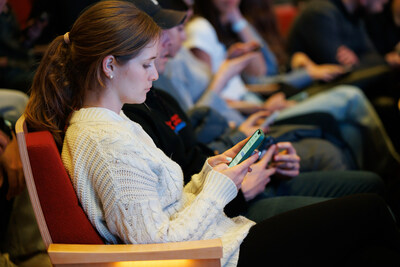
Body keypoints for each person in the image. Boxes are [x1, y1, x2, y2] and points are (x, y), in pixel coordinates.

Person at [23, 1, 400, 266]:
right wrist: (222, 186)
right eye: (147, 64)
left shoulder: (114, 122)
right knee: (369, 212)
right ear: (109, 65)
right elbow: (155, 245)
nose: (155, 74)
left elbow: (164, 210)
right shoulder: (104, 140)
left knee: (369, 239)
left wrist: (208, 175)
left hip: (219, 239)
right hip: (216, 256)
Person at [287, 0, 387, 68]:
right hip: (317, 89)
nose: (381, 7)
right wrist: (363, 60)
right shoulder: (320, 12)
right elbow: (337, 68)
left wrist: (356, 58)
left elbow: (373, 55)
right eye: (381, 2)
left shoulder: (356, 15)